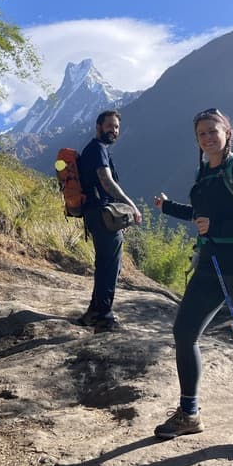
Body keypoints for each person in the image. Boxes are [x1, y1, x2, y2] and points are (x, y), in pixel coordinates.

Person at [151, 108, 233, 458]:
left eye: (212, 131)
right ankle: (189, 414)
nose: (207, 137)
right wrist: (168, 208)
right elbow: (203, 216)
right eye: (201, 134)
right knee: (184, 332)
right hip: (213, 263)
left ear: (226, 132)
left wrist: (216, 229)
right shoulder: (204, 173)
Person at [77, 110, 142, 333]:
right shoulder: (97, 150)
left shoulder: (94, 149)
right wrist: (131, 204)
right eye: (110, 126)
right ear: (98, 126)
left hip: (94, 214)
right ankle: (104, 318)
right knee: (110, 266)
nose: (114, 131)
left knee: (104, 263)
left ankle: (93, 312)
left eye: (116, 127)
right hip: (103, 215)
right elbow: (107, 182)